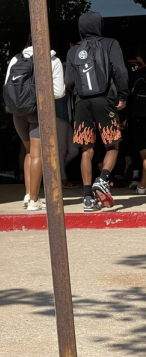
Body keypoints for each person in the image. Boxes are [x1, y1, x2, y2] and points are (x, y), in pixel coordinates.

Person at [65, 12, 130, 212]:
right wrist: (123, 95)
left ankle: (87, 198)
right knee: (112, 145)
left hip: (82, 104)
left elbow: (68, 83)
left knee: (87, 150)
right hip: (105, 100)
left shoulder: (73, 51)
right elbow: (119, 71)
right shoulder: (110, 44)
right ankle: (102, 179)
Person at [5, 34, 66, 211]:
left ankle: (28, 194)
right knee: (38, 154)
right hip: (37, 112)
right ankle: (33, 200)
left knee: (28, 152)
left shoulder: (16, 59)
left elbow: (7, 86)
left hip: (18, 113)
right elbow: (59, 92)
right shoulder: (52, 60)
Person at [126, 45, 146, 194]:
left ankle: (142, 184)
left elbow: (127, 97)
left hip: (139, 117)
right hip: (139, 116)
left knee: (143, 153)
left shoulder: (136, 76)